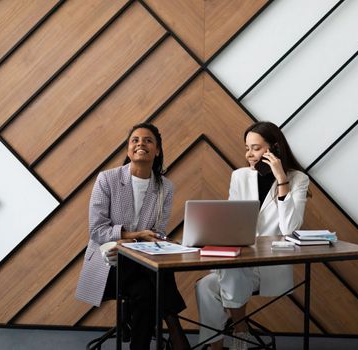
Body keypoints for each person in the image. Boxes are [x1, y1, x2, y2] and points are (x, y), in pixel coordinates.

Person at [195, 121, 310, 350]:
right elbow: (231, 219)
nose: (249, 154)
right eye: (247, 147)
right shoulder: (240, 176)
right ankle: (224, 342)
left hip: (268, 264)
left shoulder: (298, 179)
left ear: (274, 148)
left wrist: (281, 180)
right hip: (239, 260)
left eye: (255, 148)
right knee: (205, 287)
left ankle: (238, 328)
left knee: (231, 270)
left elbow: (289, 228)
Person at [76, 123, 190, 350]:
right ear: (128, 149)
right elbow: (97, 230)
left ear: (157, 150)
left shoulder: (164, 187)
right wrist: (136, 235)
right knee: (156, 278)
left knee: (148, 291)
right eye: (135, 140)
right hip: (111, 261)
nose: (141, 144)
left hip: (143, 261)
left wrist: (161, 241)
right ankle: (174, 327)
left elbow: (159, 230)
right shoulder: (107, 179)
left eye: (148, 140)